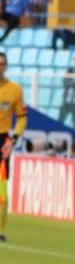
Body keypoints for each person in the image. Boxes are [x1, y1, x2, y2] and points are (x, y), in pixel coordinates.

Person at [0, 51, 27, 242]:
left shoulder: (15, 89)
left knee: (2, 193)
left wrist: (14, 137)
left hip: (3, 142)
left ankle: (0, 231)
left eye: (2, 63)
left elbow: (22, 118)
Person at [58, 55, 75, 128]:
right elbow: (65, 81)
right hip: (67, 100)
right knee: (61, 119)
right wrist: (74, 83)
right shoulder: (70, 71)